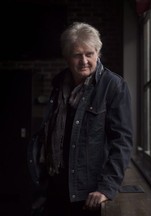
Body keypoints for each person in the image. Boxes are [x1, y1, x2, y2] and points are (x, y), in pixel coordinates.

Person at [27, 22, 133, 216]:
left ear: (97, 54)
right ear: (67, 57)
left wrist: (106, 188)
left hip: (88, 193)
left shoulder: (113, 86)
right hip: (55, 187)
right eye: (77, 55)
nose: (84, 61)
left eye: (89, 54)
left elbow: (122, 142)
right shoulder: (59, 83)